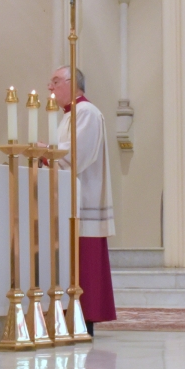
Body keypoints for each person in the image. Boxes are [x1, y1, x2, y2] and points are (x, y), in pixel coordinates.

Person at [48, 65, 115, 336]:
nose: (50, 88)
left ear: (72, 83)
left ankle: (83, 320)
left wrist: (47, 153)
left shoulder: (86, 112)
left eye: (55, 82)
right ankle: (67, 318)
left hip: (83, 199)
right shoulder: (68, 116)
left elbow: (77, 156)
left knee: (83, 263)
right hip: (68, 199)